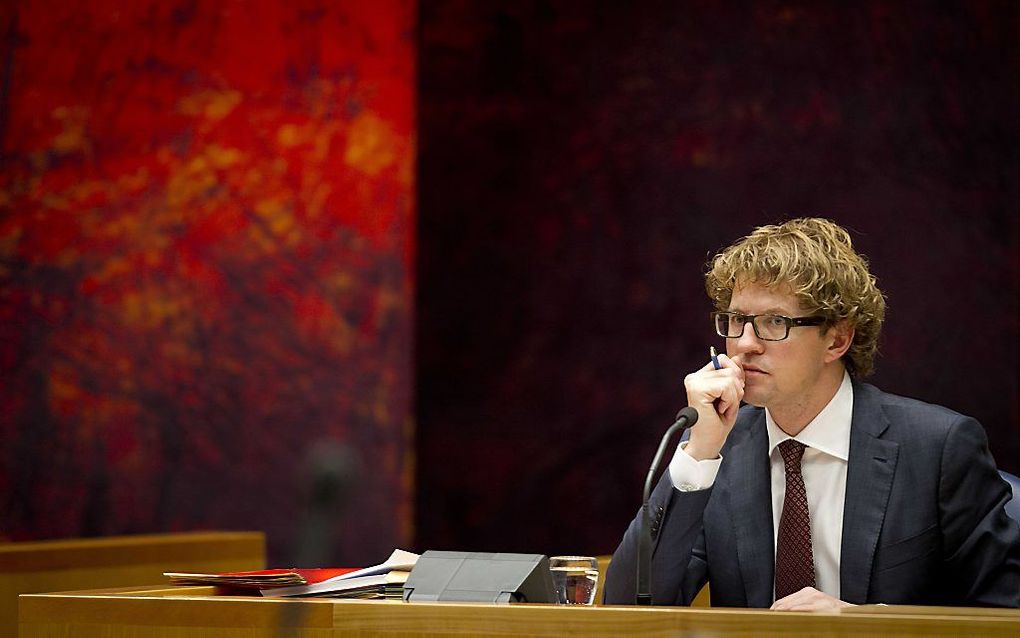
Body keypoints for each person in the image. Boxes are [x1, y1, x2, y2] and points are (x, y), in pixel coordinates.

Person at [603, 218, 1020, 609]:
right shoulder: (718, 451)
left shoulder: (938, 448)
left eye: (773, 323)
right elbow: (627, 608)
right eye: (734, 320)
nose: (744, 343)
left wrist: (866, 625)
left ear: (837, 339)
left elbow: (1004, 615)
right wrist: (698, 453)